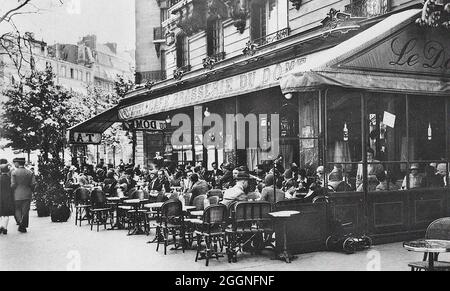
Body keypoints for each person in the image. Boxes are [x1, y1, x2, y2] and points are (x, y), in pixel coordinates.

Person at [12, 158, 36, 233]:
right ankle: (23, 225)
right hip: (27, 193)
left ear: (18, 163)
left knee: (17, 209)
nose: (14, 164)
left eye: (15, 163)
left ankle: (20, 222)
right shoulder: (30, 172)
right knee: (25, 211)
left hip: (17, 194)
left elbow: (13, 184)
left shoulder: (14, 173)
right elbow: (33, 183)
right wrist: (31, 190)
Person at [0, 164, 14, 234]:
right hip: (8, 198)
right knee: (6, 214)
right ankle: (5, 228)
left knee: (0, 213)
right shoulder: (10, 178)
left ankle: (0, 226)